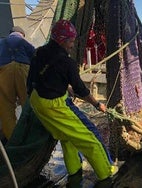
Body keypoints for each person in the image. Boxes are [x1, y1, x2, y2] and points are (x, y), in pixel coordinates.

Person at [27, 20, 118, 182]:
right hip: (54, 105)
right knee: (90, 138)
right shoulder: (67, 63)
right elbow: (81, 91)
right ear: (62, 40)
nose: (72, 44)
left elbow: (37, 77)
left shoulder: (39, 52)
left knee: (66, 136)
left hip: (37, 101)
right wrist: (98, 105)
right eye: (70, 41)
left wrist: (63, 87)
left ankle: (74, 170)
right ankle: (107, 172)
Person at [0, 26, 35, 141]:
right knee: (28, 104)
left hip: (4, 70)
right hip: (23, 68)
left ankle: (12, 140)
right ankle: (29, 136)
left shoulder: (2, 42)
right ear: (22, 34)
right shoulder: (24, 42)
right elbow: (35, 58)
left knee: (6, 106)